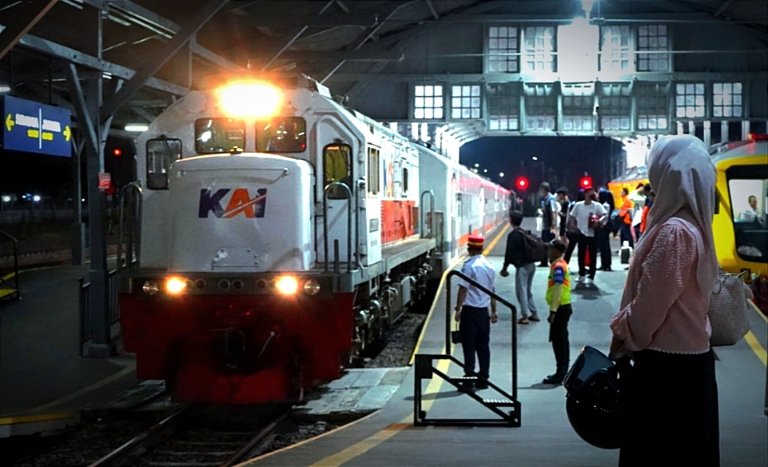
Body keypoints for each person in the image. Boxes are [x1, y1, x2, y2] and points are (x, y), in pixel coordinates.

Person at [609, 134, 720, 467]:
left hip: (666, 376)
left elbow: (648, 310)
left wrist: (623, 333)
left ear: (667, 177)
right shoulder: (693, 228)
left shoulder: (674, 232)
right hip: (689, 372)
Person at [454, 234, 499, 391]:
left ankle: (469, 381)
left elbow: (463, 290)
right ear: (482, 249)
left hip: (470, 312)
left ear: (469, 249)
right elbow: (492, 291)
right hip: (483, 313)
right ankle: (483, 379)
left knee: (469, 347)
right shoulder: (489, 266)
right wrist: (494, 311)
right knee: (483, 347)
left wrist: (458, 309)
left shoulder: (469, 266)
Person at [500, 211, 540, 324]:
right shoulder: (524, 232)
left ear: (511, 221)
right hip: (531, 265)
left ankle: (525, 316)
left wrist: (505, 268)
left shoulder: (513, 235)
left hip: (522, 267)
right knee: (527, 290)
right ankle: (534, 313)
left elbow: (509, 253)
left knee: (521, 291)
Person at [543, 239, 572, 385]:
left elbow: (557, 290)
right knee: (560, 340)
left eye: (550, 249)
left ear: (557, 251)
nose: (548, 251)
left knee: (559, 342)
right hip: (563, 307)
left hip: (560, 308)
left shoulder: (558, 267)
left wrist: (553, 311)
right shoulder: (558, 264)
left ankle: (561, 373)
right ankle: (562, 371)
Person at [568, 186, 607, 285]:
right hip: (581, 232)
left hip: (593, 233)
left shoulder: (597, 205)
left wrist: (599, 221)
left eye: (594, 192)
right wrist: (573, 226)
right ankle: (581, 274)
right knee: (581, 254)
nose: (593, 194)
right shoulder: (578, 205)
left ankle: (591, 275)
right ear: (586, 194)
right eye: (591, 193)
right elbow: (572, 216)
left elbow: (605, 214)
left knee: (593, 254)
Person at [538, 182, 559, 267]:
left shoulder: (551, 199)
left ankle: (552, 260)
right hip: (546, 225)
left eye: (541, 190)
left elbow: (553, 212)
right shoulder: (545, 199)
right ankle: (544, 261)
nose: (540, 192)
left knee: (550, 244)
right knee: (544, 243)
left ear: (544, 190)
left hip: (549, 226)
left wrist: (553, 225)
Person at [597, 183, 616, 271]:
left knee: (604, 246)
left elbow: (605, 216)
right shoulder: (607, 204)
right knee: (604, 246)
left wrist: (599, 222)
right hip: (605, 227)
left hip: (603, 227)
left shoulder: (605, 205)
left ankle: (606, 264)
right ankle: (605, 264)